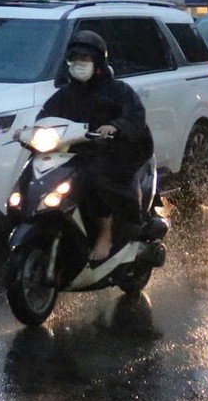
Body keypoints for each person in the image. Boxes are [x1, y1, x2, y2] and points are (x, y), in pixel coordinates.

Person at [40, 30, 153, 264]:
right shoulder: (65, 94)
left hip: (117, 150)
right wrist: (31, 132)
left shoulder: (118, 90)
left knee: (94, 178)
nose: (79, 64)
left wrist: (115, 127)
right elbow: (45, 117)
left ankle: (105, 233)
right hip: (78, 150)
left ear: (98, 62)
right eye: (75, 59)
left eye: (85, 59)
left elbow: (135, 115)